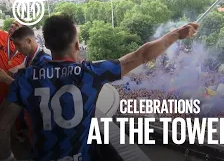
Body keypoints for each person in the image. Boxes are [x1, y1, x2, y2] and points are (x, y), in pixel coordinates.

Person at [0, 14, 199, 161]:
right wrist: (176, 34)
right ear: (77, 45)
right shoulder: (91, 73)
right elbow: (141, 55)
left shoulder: (25, 78)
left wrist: (8, 158)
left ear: (48, 44)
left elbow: (2, 125)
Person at [0, 26, 52, 143]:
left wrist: (6, 79)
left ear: (29, 41)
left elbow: (34, 91)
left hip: (42, 119)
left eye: (18, 45)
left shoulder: (44, 61)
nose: (17, 49)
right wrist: (14, 69)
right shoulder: (31, 56)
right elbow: (24, 65)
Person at [0, 20, 25, 105]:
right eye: (13, 23)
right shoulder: (2, 36)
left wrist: (18, 67)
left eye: (16, 25)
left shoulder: (24, 47)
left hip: (11, 95)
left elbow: (31, 61)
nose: (12, 25)